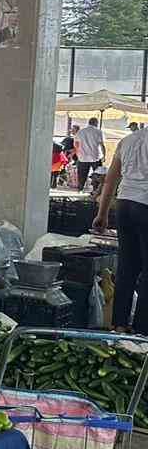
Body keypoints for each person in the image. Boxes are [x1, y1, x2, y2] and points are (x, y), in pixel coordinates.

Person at [97, 122, 148, 333]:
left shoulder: (128, 140)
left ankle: (118, 324)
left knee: (127, 267)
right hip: (146, 205)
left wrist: (102, 214)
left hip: (124, 204)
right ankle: (142, 329)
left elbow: (110, 180)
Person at [76, 117, 106, 184]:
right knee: (98, 174)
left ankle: (80, 189)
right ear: (96, 123)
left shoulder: (80, 131)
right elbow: (102, 145)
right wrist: (104, 156)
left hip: (83, 157)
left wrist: (78, 154)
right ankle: (95, 190)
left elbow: (76, 144)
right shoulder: (98, 132)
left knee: (82, 175)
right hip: (95, 157)